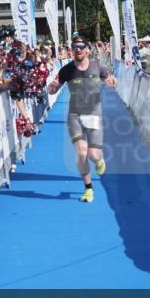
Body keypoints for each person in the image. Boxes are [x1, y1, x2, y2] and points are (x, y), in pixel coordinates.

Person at [47, 37, 116, 203]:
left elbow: (112, 81)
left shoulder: (98, 67)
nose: (78, 49)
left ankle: (99, 160)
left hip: (94, 114)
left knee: (93, 154)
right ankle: (88, 188)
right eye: (75, 47)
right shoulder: (66, 70)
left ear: (87, 49)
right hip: (75, 116)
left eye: (81, 46)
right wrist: (51, 87)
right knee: (81, 152)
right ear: (71, 50)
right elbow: (52, 90)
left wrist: (112, 82)